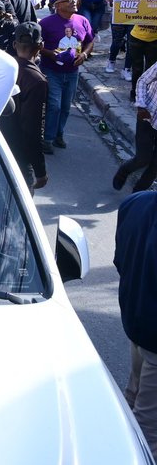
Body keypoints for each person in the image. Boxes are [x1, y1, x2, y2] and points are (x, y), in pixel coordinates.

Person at [113, 188, 157, 455]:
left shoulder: (134, 203)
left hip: (136, 321)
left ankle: (116, 444)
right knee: (149, 427)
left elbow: (121, 262)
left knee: (133, 394)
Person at [39, 0, 94, 153]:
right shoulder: (46, 23)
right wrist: (51, 54)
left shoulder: (83, 21)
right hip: (51, 70)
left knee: (66, 106)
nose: (74, 2)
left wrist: (84, 54)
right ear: (58, 5)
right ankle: (47, 139)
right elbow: (38, 45)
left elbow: (90, 41)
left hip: (72, 72)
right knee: (54, 105)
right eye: (69, 0)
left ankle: (58, 135)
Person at [0, 22, 48, 191]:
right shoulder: (37, 80)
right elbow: (33, 129)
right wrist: (40, 171)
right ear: (40, 46)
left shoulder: (1, 67)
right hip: (18, 154)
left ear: (14, 45)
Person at [114, 60, 157, 193]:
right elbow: (143, 81)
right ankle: (124, 170)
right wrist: (141, 106)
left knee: (155, 166)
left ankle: (137, 196)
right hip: (147, 116)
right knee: (143, 158)